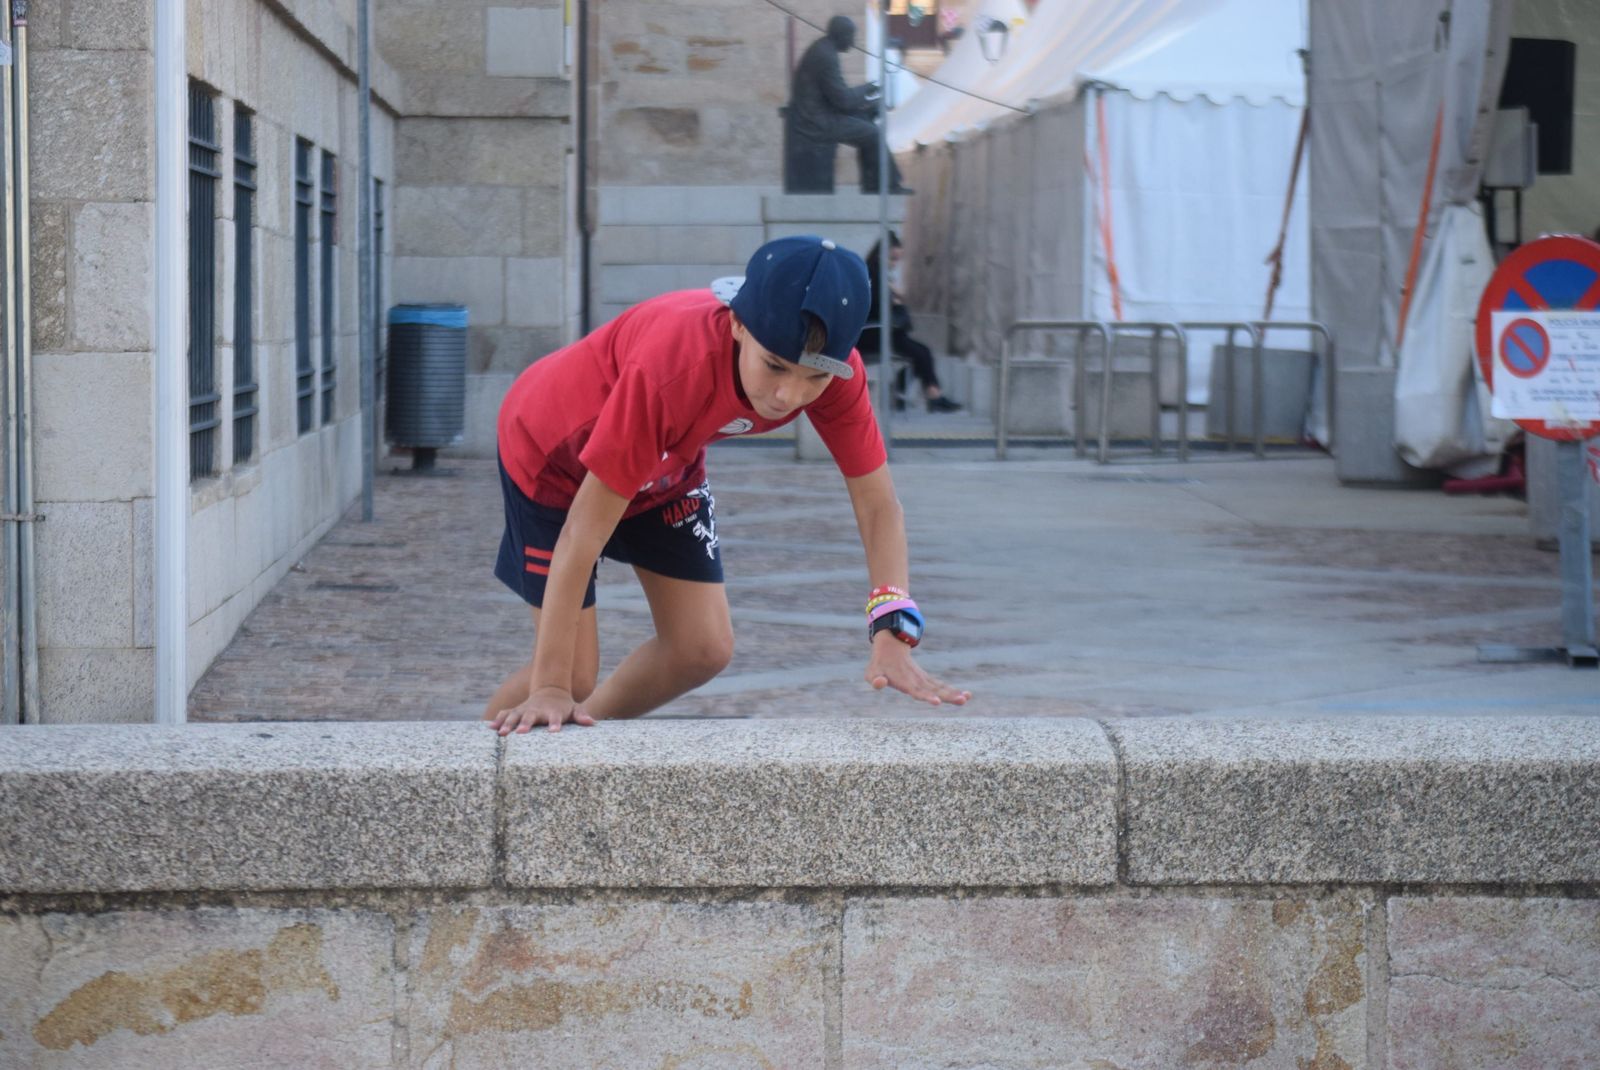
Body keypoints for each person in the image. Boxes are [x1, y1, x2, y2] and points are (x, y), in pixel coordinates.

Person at [485, 235, 970, 734]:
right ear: (737, 323)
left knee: (702, 649)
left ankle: (574, 738)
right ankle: (485, 767)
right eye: (775, 366)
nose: (789, 395)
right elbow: (582, 534)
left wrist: (892, 629)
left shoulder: (839, 376)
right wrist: (549, 688)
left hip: (668, 459)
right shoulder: (673, 366)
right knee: (572, 675)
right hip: (553, 456)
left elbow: (878, 506)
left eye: (814, 379)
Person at [788, 16, 912, 195]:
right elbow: (843, 101)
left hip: (819, 115)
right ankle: (884, 185)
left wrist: (866, 98)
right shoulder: (826, 56)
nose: (853, 42)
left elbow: (837, 96)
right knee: (873, 134)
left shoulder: (824, 49)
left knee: (866, 122)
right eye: (851, 36)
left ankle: (874, 184)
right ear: (841, 36)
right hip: (817, 122)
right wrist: (866, 90)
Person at [860, 233, 961, 412]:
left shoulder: (877, 275)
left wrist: (894, 298)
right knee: (922, 353)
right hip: (876, 334)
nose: (894, 264)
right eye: (892, 259)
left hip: (882, 332)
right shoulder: (873, 277)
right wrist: (895, 302)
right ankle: (931, 396)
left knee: (920, 353)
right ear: (881, 255)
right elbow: (877, 307)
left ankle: (906, 392)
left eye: (897, 260)